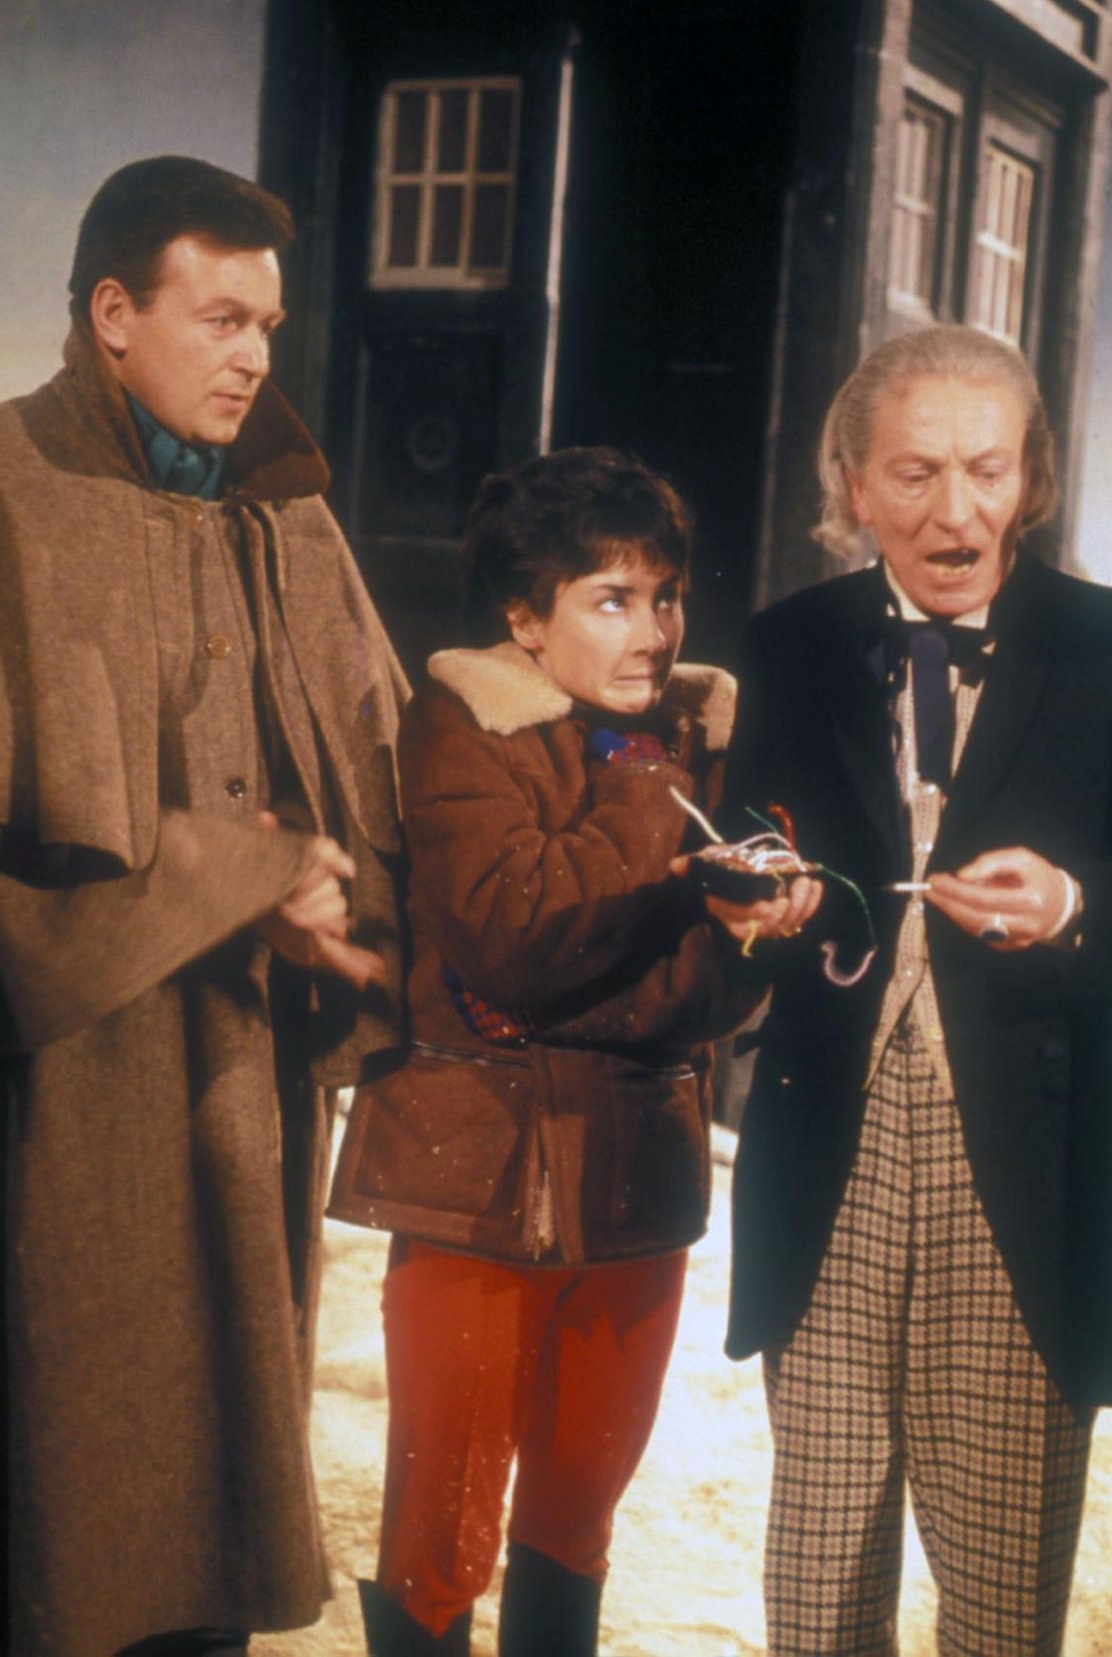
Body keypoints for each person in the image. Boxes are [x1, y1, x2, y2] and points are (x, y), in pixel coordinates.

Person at [0, 157, 411, 1655]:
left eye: (269, 325)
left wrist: (325, 893)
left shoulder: (286, 521)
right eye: (221, 319)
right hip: (29, 1092)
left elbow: (358, 777)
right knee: (16, 1443)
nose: (255, 356)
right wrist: (236, 874)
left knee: (197, 1455)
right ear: (114, 314)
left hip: (222, 1078)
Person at [721, 323, 1112, 1654]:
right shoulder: (787, 647)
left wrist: (1079, 908)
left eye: (988, 470)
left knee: (1003, 1580)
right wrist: (762, 898)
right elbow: (745, 844)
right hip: (827, 1151)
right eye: (914, 475)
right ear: (850, 488)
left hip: (1030, 1162)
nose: (956, 513)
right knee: (821, 1562)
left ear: (1037, 479)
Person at [326, 447, 813, 1657]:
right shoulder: (465, 725)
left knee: (578, 1515)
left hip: (635, 1181)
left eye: (665, 597)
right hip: (474, 1189)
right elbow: (508, 936)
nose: (651, 631)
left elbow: (702, 1000)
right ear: (523, 617)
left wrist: (732, 942)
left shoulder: (699, 738)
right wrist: (654, 821)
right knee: (441, 1532)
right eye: (611, 599)